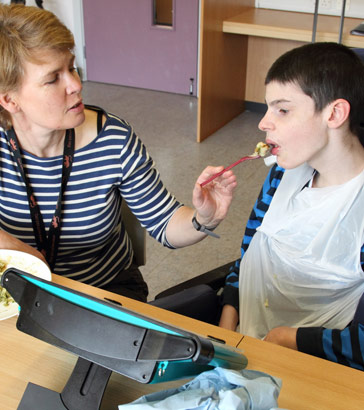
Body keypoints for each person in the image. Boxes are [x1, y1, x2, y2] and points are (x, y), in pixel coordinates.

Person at [0, 4, 237, 302]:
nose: (75, 84)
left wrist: (205, 219)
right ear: (9, 100)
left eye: (71, 67)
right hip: (18, 292)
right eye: (52, 78)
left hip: (104, 291)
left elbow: (165, 223)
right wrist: (12, 244)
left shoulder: (112, 139)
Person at [218, 42, 364, 340]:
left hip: (312, 364)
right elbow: (251, 256)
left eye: (282, 110)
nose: (263, 122)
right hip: (244, 337)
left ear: (334, 114)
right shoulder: (281, 174)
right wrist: (227, 316)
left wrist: (288, 339)